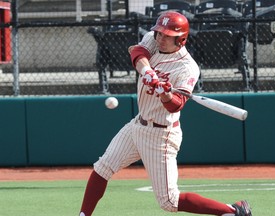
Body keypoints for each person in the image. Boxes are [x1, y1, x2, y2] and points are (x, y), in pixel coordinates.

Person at [79, 11, 252, 216]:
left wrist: (165, 94)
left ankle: (233, 211)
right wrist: (149, 73)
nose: (161, 38)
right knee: (102, 168)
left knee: (169, 201)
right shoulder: (153, 41)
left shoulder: (188, 68)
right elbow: (137, 53)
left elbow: (176, 105)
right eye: (159, 33)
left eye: (167, 35)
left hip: (161, 135)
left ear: (181, 40)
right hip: (137, 125)